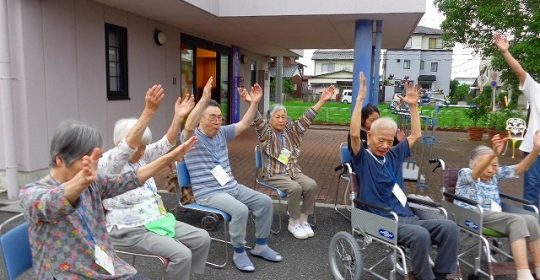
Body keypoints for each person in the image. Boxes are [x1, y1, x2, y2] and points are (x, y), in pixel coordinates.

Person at [19, 119, 198, 279]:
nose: (94, 164)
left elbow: (132, 178)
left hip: (104, 266)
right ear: (60, 159)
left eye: (96, 157)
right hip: (68, 274)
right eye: (86, 159)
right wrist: (81, 181)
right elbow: (50, 204)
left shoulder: (91, 183)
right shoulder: (31, 193)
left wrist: (171, 156)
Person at [349, 72, 459, 280]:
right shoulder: (362, 158)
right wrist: (360, 99)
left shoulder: (393, 154)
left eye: (389, 141)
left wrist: (413, 106)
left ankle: (441, 275)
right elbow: (354, 134)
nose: (385, 145)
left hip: (407, 216)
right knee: (420, 235)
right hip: (382, 219)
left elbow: (416, 135)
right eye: (380, 140)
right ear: (370, 136)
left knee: (449, 228)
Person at [98, 84, 210, 280]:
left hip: (156, 219)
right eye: (140, 146)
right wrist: (149, 110)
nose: (144, 150)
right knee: (181, 254)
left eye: (144, 146)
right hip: (129, 229)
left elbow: (167, 142)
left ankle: (186, 276)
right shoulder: (109, 164)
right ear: (121, 144)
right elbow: (127, 148)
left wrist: (178, 116)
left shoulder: (141, 157)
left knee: (202, 238)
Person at [181, 78, 282, 272]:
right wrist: (203, 100)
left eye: (220, 117)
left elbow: (244, 124)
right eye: (212, 117)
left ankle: (261, 245)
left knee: (264, 201)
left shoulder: (222, 133)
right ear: (200, 119)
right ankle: (239, 251)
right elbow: (187, 127)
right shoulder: (190, 138)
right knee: (240, 210)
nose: (218, 121)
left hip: (231, 187)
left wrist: (254, 103)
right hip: (208, 192)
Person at [253, 85, 334, 239]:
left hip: (293, 171)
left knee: (311, 185)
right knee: (295, 188)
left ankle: (303, 219)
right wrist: (253, 104)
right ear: (269, 119)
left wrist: (322, 101)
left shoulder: (291, 131)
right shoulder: (267, 133)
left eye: (283, 117)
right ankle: (293, 221)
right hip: (274, 173)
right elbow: (257, 121)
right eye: (277, 117)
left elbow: (307, 118)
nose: (281, 120)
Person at [455, 132, 540, 280]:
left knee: (532, 219)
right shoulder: (465, 173)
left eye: (495, 165)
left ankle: (538, 267)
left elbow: (520, 168)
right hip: (473, 214)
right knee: (517, 220)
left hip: (496, 216)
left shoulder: (495, 175)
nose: (491, 169)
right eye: (486, 164)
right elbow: (476, 173)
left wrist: (536, 149)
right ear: (473, 163)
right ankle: (523, 273)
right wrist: (493, 153)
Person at [495, 33, 540, 207]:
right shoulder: (536, 89)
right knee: (532, 190)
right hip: (535, 151)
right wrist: (505, 52)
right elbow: (520, 72)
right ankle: (532, 228)